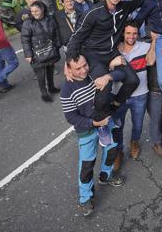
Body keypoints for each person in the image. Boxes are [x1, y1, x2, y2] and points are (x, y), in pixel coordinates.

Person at [66, 0, 142, 146]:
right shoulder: (93, 13)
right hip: (94, 55)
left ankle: (113, 108)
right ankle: (101, 123)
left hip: (112, 53)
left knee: (133, 80)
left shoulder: (124, 6)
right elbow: (76, 38)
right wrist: (68, 63)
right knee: (104, 87)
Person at [60, 54, 124, 217]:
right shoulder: (66, 90)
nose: (83, 71)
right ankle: (85, 198)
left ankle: (105, 176)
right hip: (87, 130)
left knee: (111, 150)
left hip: (105, 122)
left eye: (84, 65)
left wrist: (108, 75)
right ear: (68, 69)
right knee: (87, 165)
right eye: (78, 68)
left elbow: (121, 74)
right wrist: (95, 124)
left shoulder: (93, 73)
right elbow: (71, 117)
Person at [111, 22, 155, 160]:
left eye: (135, 33)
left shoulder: (144, 46)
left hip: (140, 95)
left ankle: (134, 143)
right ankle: (118, 151)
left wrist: (154, 41)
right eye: (128, 33)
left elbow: (151, 61)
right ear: (123, 33)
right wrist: (112, 64)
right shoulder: (114, 49)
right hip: (118, 96)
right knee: (118, 126)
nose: (131, 36)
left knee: (138, 124)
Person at [21, 1, 61, 102]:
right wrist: (28, 54)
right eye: (32, 11)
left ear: (42, 9)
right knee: (41, 74)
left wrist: (57, 44)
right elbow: (25, 40)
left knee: (50, 70)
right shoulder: (27, 23)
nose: (34, 13)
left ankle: (51, 88)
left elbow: (56, 31)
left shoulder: (50, 18)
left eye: (36, 11)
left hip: (50, 49)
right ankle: (44, 93)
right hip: (37, 53)